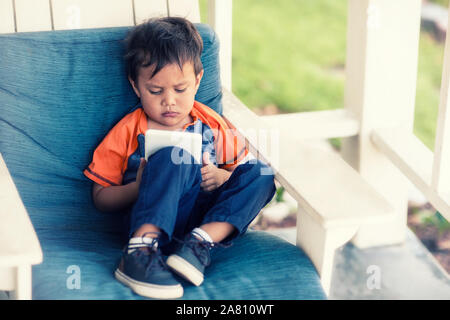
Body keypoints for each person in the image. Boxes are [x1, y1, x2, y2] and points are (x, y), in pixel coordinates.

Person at [83, 17, 276, 299]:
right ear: (136, 86)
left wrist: (222, 178)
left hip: (199, 220)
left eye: (180, 89)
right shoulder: (128, 129)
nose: (169, 101)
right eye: (156, 90)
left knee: (261, 173)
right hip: (148, 217)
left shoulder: (211, 122)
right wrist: (138, 186)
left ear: (197, 81)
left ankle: (199, 245)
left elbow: (240, 171)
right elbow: (100, 197)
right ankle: (140, 252)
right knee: (174, 156)